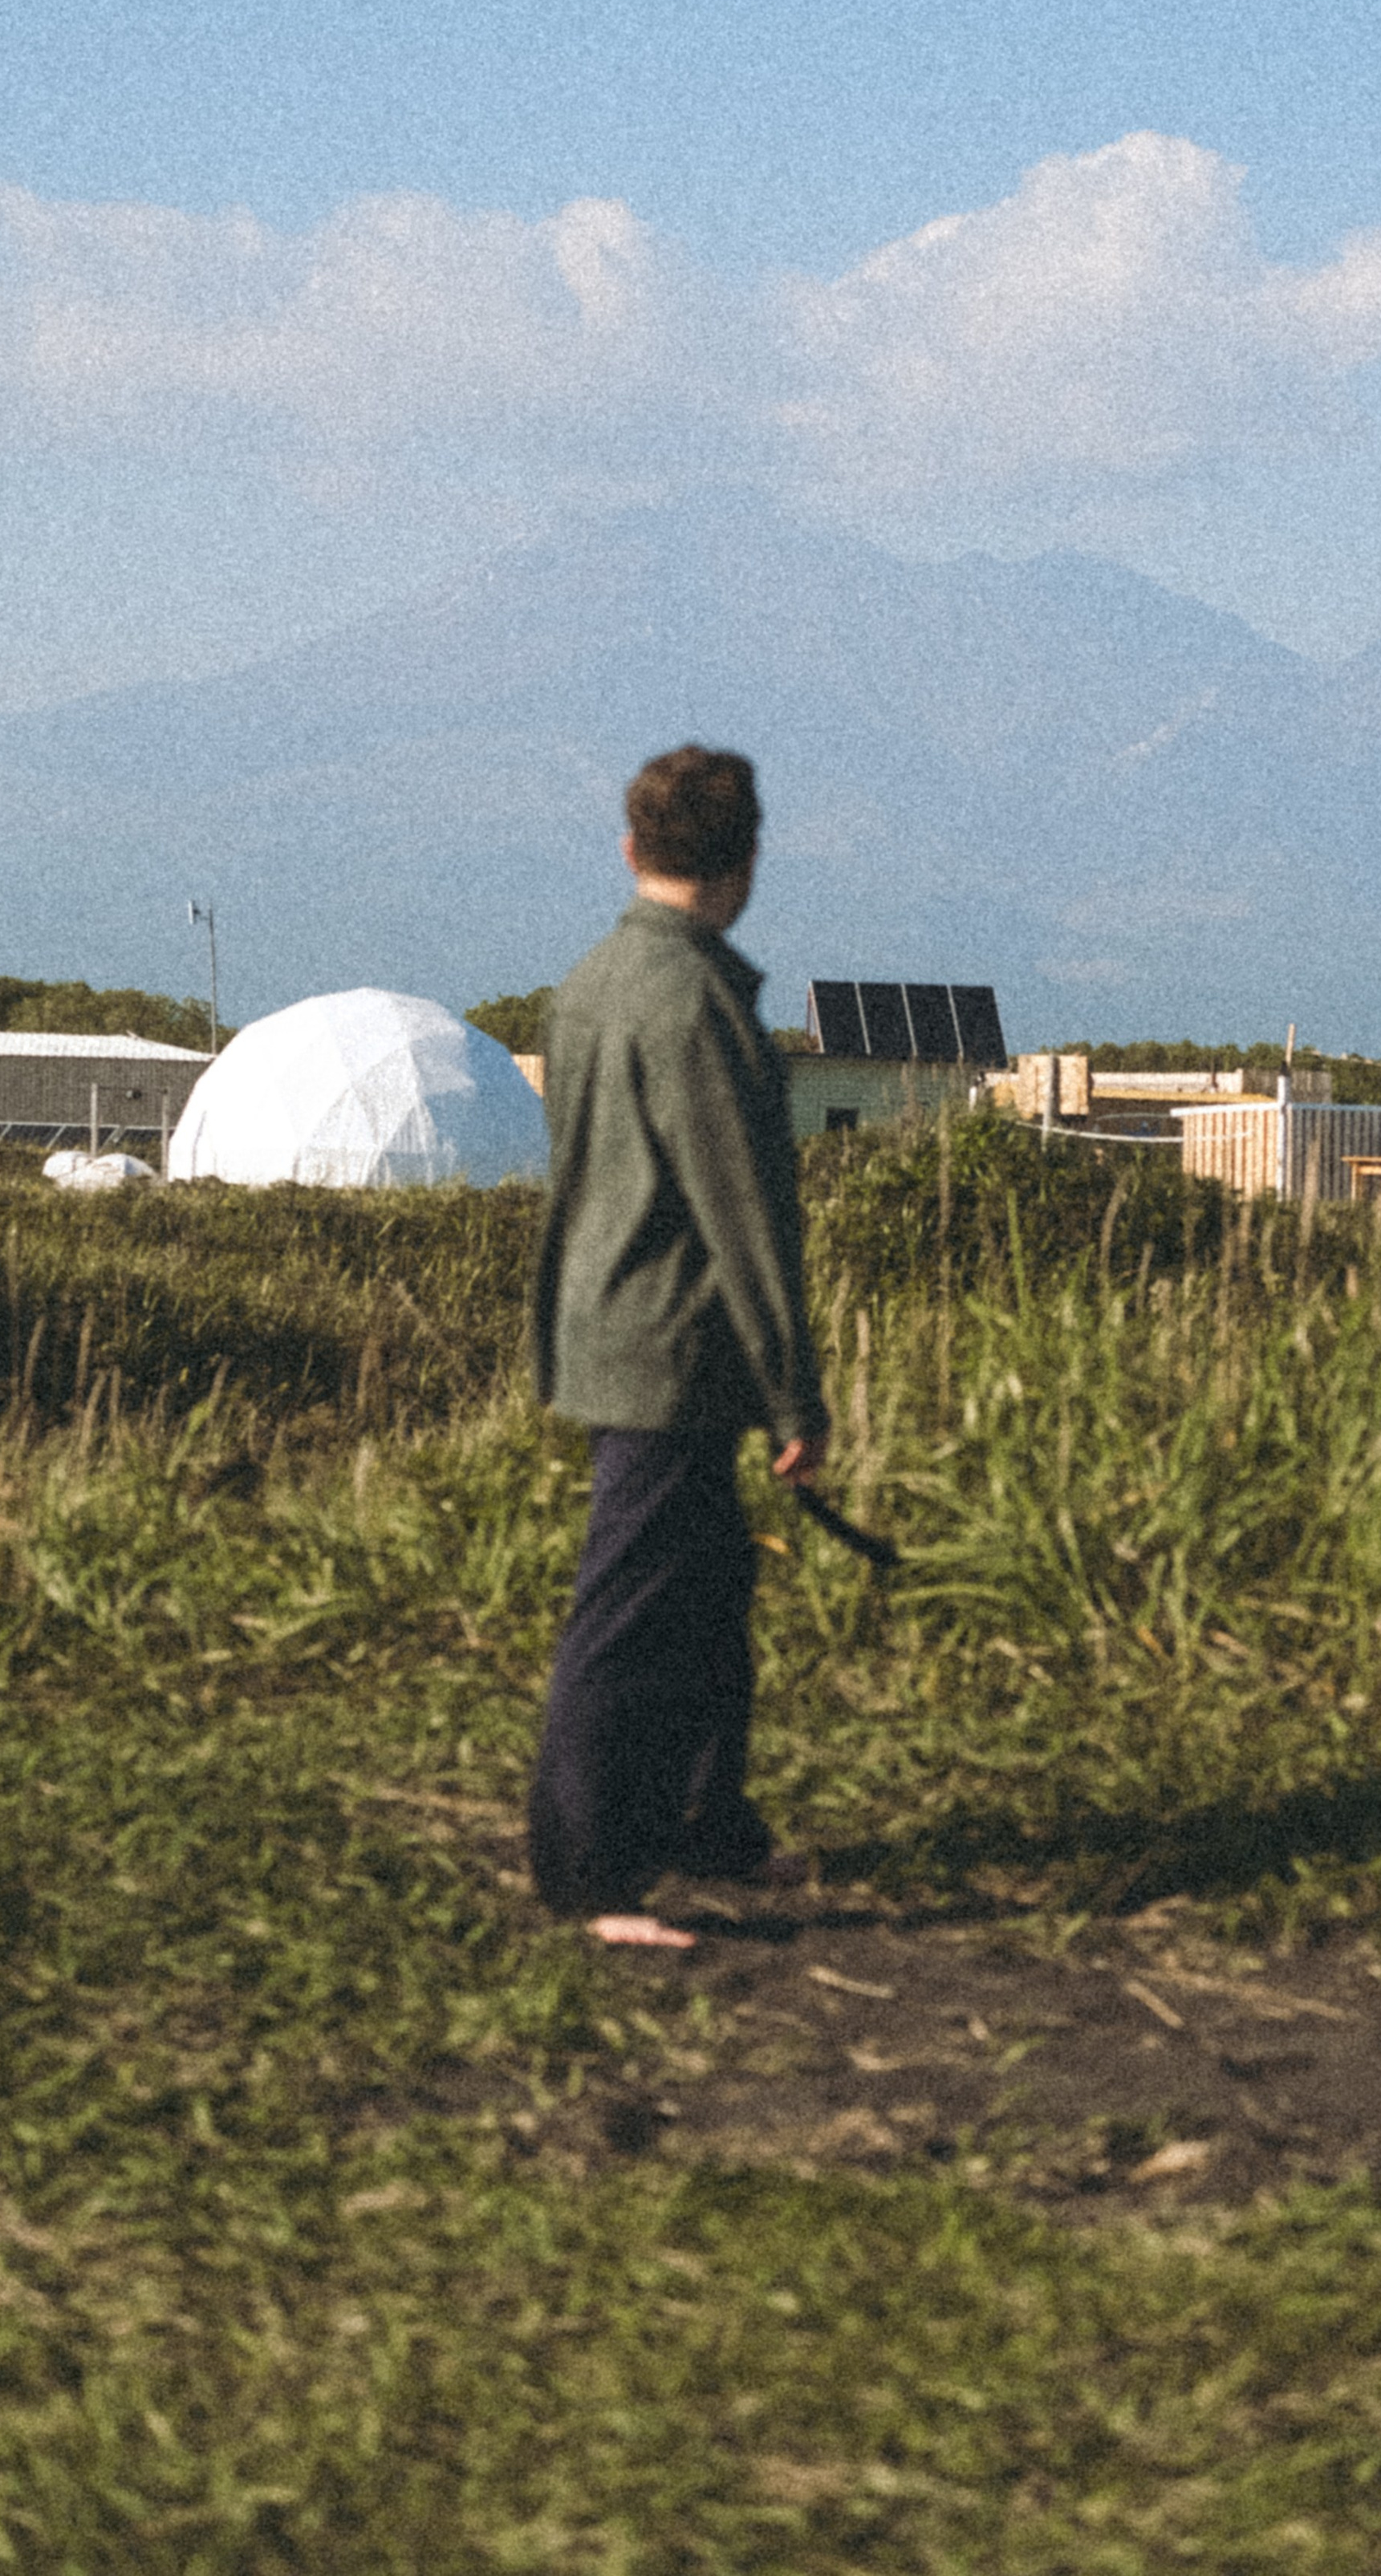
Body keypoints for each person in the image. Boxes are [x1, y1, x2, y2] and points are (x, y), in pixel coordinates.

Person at [526, 745, 829, 1950]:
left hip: (602, 1322)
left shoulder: (592, 981)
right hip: (672, 1344)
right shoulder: (694, 1001)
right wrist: (794, 1393)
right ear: (748, 859)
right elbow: (742, 1212)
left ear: (630, 847)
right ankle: (588, 1873)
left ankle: (709, 1818)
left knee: (708, 1579)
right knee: (631, 1604)